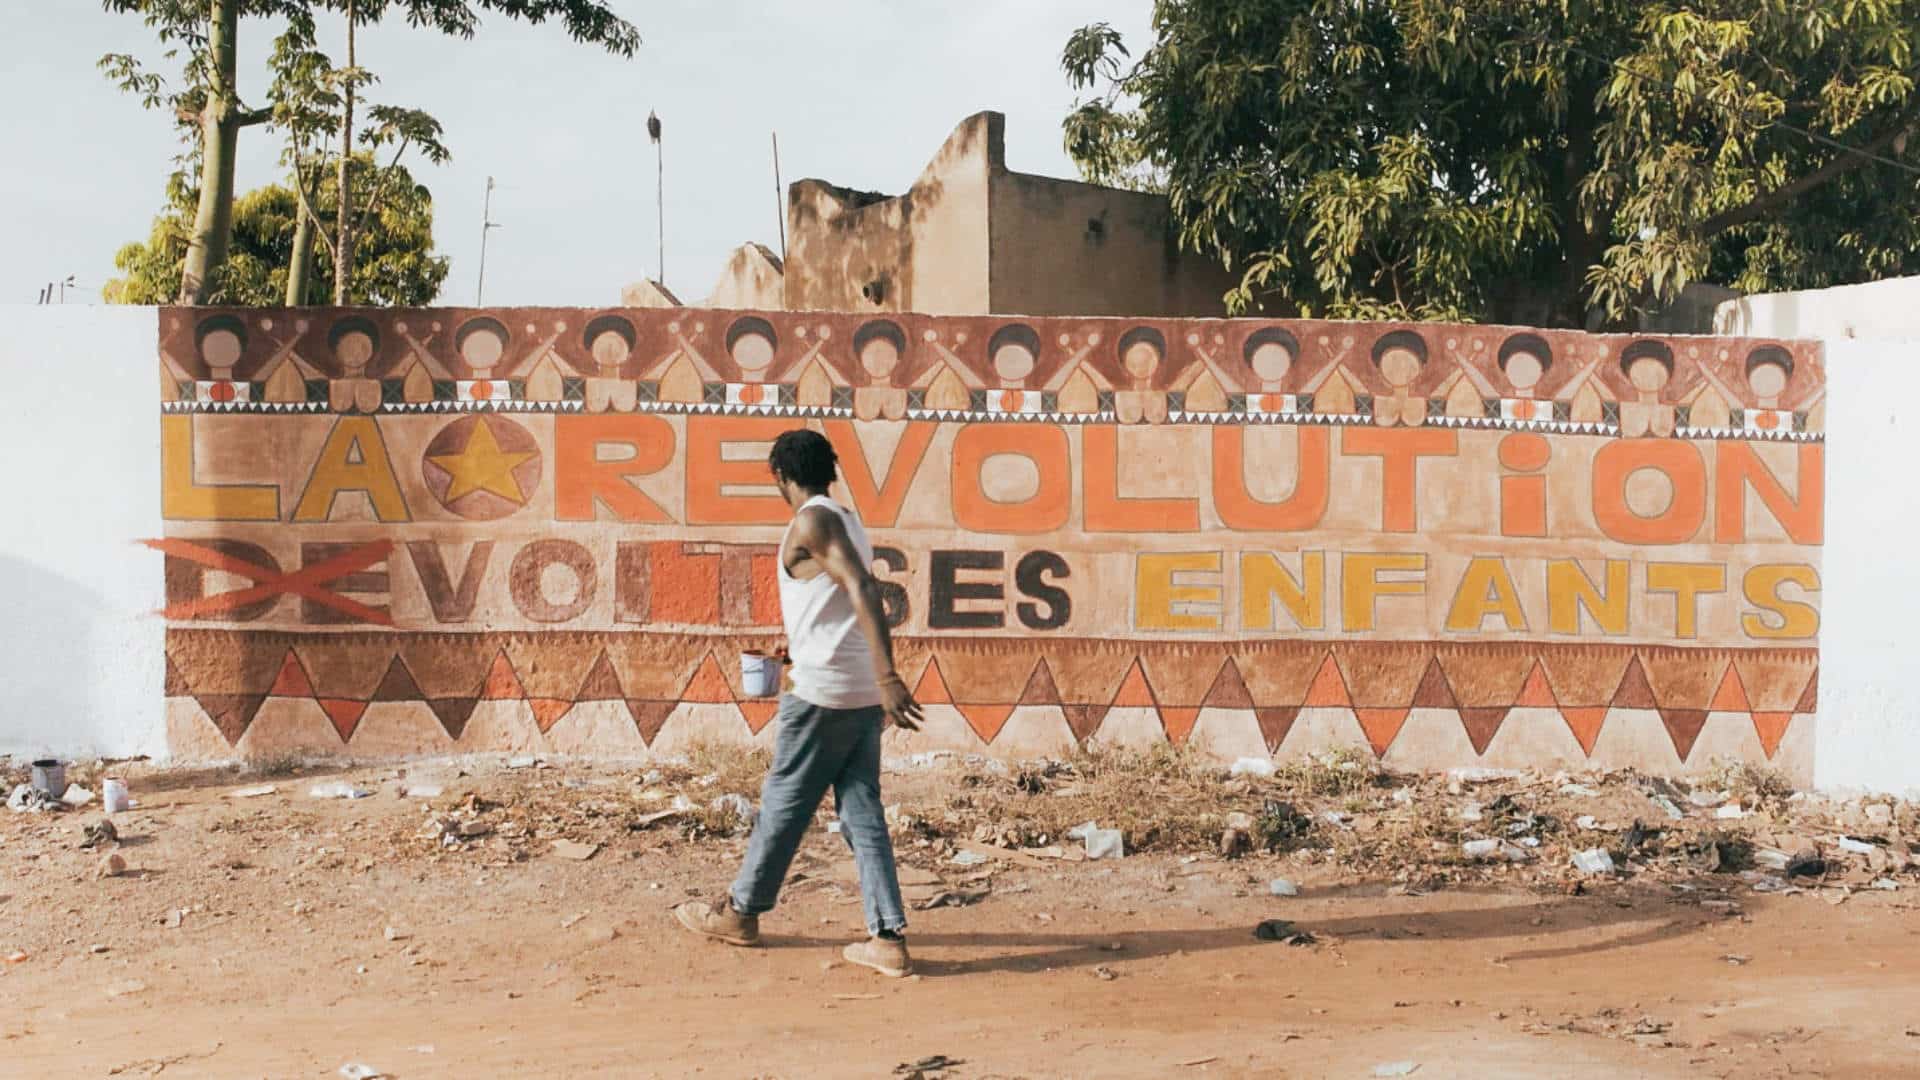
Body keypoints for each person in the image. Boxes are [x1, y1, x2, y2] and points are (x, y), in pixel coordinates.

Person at [673, 428, 926, 976]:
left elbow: (861, 586)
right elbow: (836, 596)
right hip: (853, 692)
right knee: (862, 812)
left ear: (780, 477)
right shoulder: (847, 521)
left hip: (823, 694)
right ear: (830, 469)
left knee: (784, 807)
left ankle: (740, 914)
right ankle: (887, 937)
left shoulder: (812, 520)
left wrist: (889, 676)